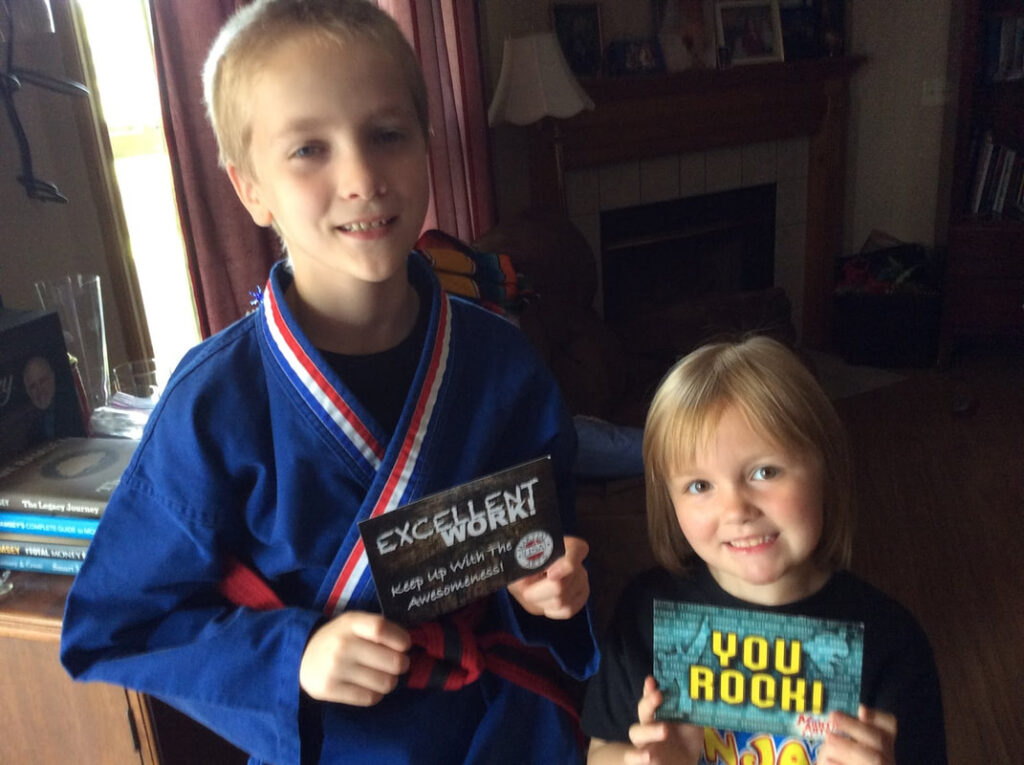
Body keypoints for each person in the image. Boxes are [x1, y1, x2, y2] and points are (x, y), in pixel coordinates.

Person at [60, 2, 597, 763]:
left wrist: (549, 592)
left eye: (387, 135)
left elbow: (548, 549)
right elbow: (114, 625)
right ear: (250, 189)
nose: (362, 177)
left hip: (500, 731)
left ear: (427, 145)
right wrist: (296, 654)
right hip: (339, 747)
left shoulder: (502, 365)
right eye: (310, 148)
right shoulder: (214, 404)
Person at [581, 336, 946, 764]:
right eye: (700, 486)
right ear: (670, 501)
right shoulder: (645, 614)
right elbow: (601, 748)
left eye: (765, 471)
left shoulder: (892, 643)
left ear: (825, 470)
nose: (736, 509)